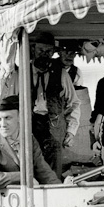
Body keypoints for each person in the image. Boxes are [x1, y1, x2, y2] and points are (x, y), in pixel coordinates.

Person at [0, 95, 61, 192]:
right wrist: (24, 177)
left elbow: (43, 171)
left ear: (19, 117)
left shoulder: (28, 139)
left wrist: (60, 189)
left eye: (7, 118)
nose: (3, 124)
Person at [24, 30, 80, 176]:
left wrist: (71, 131)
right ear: (33, 50)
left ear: (53, 52)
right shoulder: (22, 72)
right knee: (30, 166)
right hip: (29, 126)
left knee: (54, 168)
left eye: (48, 51)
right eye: (41, 50)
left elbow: (74, 103)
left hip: (54, 128)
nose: (44, 54)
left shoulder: (61, 73)